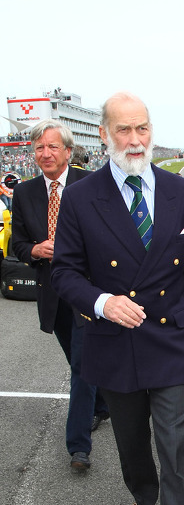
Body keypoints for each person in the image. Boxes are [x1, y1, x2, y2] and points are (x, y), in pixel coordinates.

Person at [51, 92, 184, 505]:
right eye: (123, 130)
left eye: (141, 128)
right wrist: (102, 301)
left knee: (177, 447)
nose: (135, 140)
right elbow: (63, 271)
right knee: (132, 445)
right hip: (115, 340)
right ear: (104, 135)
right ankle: (142, 497)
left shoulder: (179, 191)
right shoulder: (83, 197)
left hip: (172, 339)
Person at [12, 120, 109, 471]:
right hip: (52, 291)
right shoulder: (24, 193)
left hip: (88, 289)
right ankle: (103, 407)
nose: (46, 153)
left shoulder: (92, 184)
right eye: (39, 148)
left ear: (68, 151)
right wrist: (37, 249)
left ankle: (78, 446)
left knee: (82, 365)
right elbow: (17, 245)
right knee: (77, 359)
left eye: (53, 147)